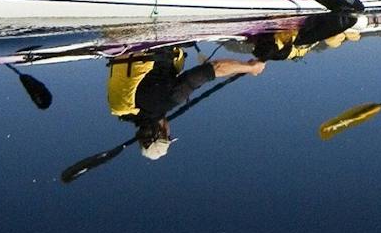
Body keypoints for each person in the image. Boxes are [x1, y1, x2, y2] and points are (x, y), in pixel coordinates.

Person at [106, 44, 265, 160]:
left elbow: (214, 68)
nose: (170, 131)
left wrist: (250, 67)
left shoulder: (167, 101)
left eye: (168, 135)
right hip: (125, 44)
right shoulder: (122, 109)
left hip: (155, 39)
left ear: (162, 132)